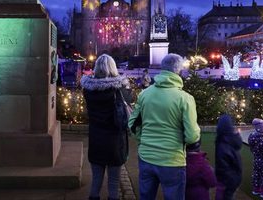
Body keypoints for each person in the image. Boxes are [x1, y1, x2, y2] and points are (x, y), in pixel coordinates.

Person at [128, 53, 200, 200]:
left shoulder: (145, 94)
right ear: (179, 71)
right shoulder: (185, 99)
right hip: (172, 160)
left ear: (162, 68)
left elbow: (132, 125)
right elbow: (192, 136)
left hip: (147, 156)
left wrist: (144, 140)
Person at [81, 54, 130, 200]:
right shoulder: (120, 90)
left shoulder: (88, 90)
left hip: (96, 140)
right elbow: (129, 102)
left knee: (96, 181)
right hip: (115, 142)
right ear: (113, 68)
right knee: (114, 182)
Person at [213, 114, 242, 200]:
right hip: (235, 177)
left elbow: (222, 166)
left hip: (226, 180)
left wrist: (219, 178)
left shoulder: (222, 144)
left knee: (223, 196)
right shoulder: (233, 140)